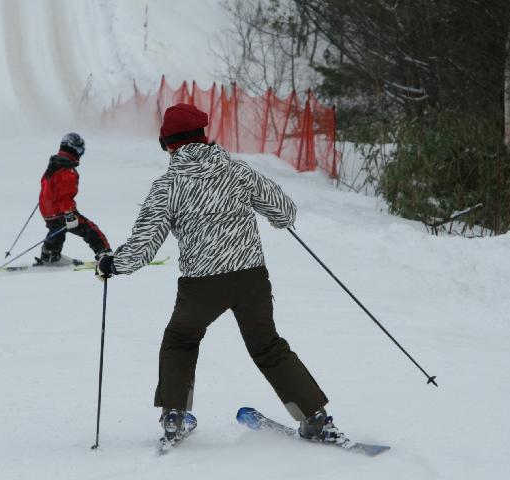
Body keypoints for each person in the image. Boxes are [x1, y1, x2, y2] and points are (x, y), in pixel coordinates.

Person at [95, 104, 343, 444]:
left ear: (167, 143)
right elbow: (285, 212)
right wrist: (271, 216)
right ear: (204, 135)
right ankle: (315, 418)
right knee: (267, 346)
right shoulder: (238, 172)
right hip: (251, 279)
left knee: (180, 340)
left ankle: (174, 417)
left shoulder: (169, 186)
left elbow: (142, 248)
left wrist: (112, 264)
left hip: (202, 286)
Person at [38, 133, 111, 264]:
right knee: (89, 229)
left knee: (57, 230)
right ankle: (105, 254)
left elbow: (46, 187)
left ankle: (50, 255)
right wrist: (69, 214)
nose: (81, 154)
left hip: (48, 211)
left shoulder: (54, 165)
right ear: (74, 149)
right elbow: (64, 196)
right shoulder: (67, 170)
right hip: (63, 212)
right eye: (81, 151)